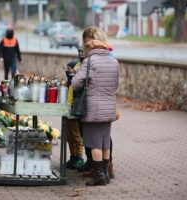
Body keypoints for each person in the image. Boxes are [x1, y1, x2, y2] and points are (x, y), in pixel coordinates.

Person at [72, 26, 119, 186]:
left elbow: (76, 83)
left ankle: (99, 176)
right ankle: (105, 173)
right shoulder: (114, 61)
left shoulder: (89, 61)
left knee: (94, 143)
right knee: (105, 141)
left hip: (93, 108)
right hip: (109, 107)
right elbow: (116, 85)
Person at [65, 59, 84, 170]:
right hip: (68, 110)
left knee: (76, 136)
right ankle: (73, 156)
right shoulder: (69, 82)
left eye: (69, 69)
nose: (67, 71)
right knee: (69, 136)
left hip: (75, 111)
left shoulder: (76, 82)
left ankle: (79, 157)